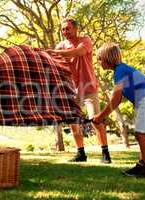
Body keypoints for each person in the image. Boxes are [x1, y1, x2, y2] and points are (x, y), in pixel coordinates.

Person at [93, 43, 145, 178]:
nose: (98, 62)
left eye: (99, 59)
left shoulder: (120, 71)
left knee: (140, 133)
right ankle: (142, 165)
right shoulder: (121, 70)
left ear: (107, 58)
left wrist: (100, 116)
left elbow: (116, 99)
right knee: (140, 134)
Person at [47, 18, 111, 163]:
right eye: (63, 29)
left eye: (68, 28)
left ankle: (105, 153)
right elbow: (53, 60)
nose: (65, 32)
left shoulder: (85, 41)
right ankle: (81, 153)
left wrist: (55, 53)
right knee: (73, 121)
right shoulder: (61, 45)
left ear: (75, 29)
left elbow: (77, 52)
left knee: (96, 119)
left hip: (88, 88)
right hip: (71, 90)